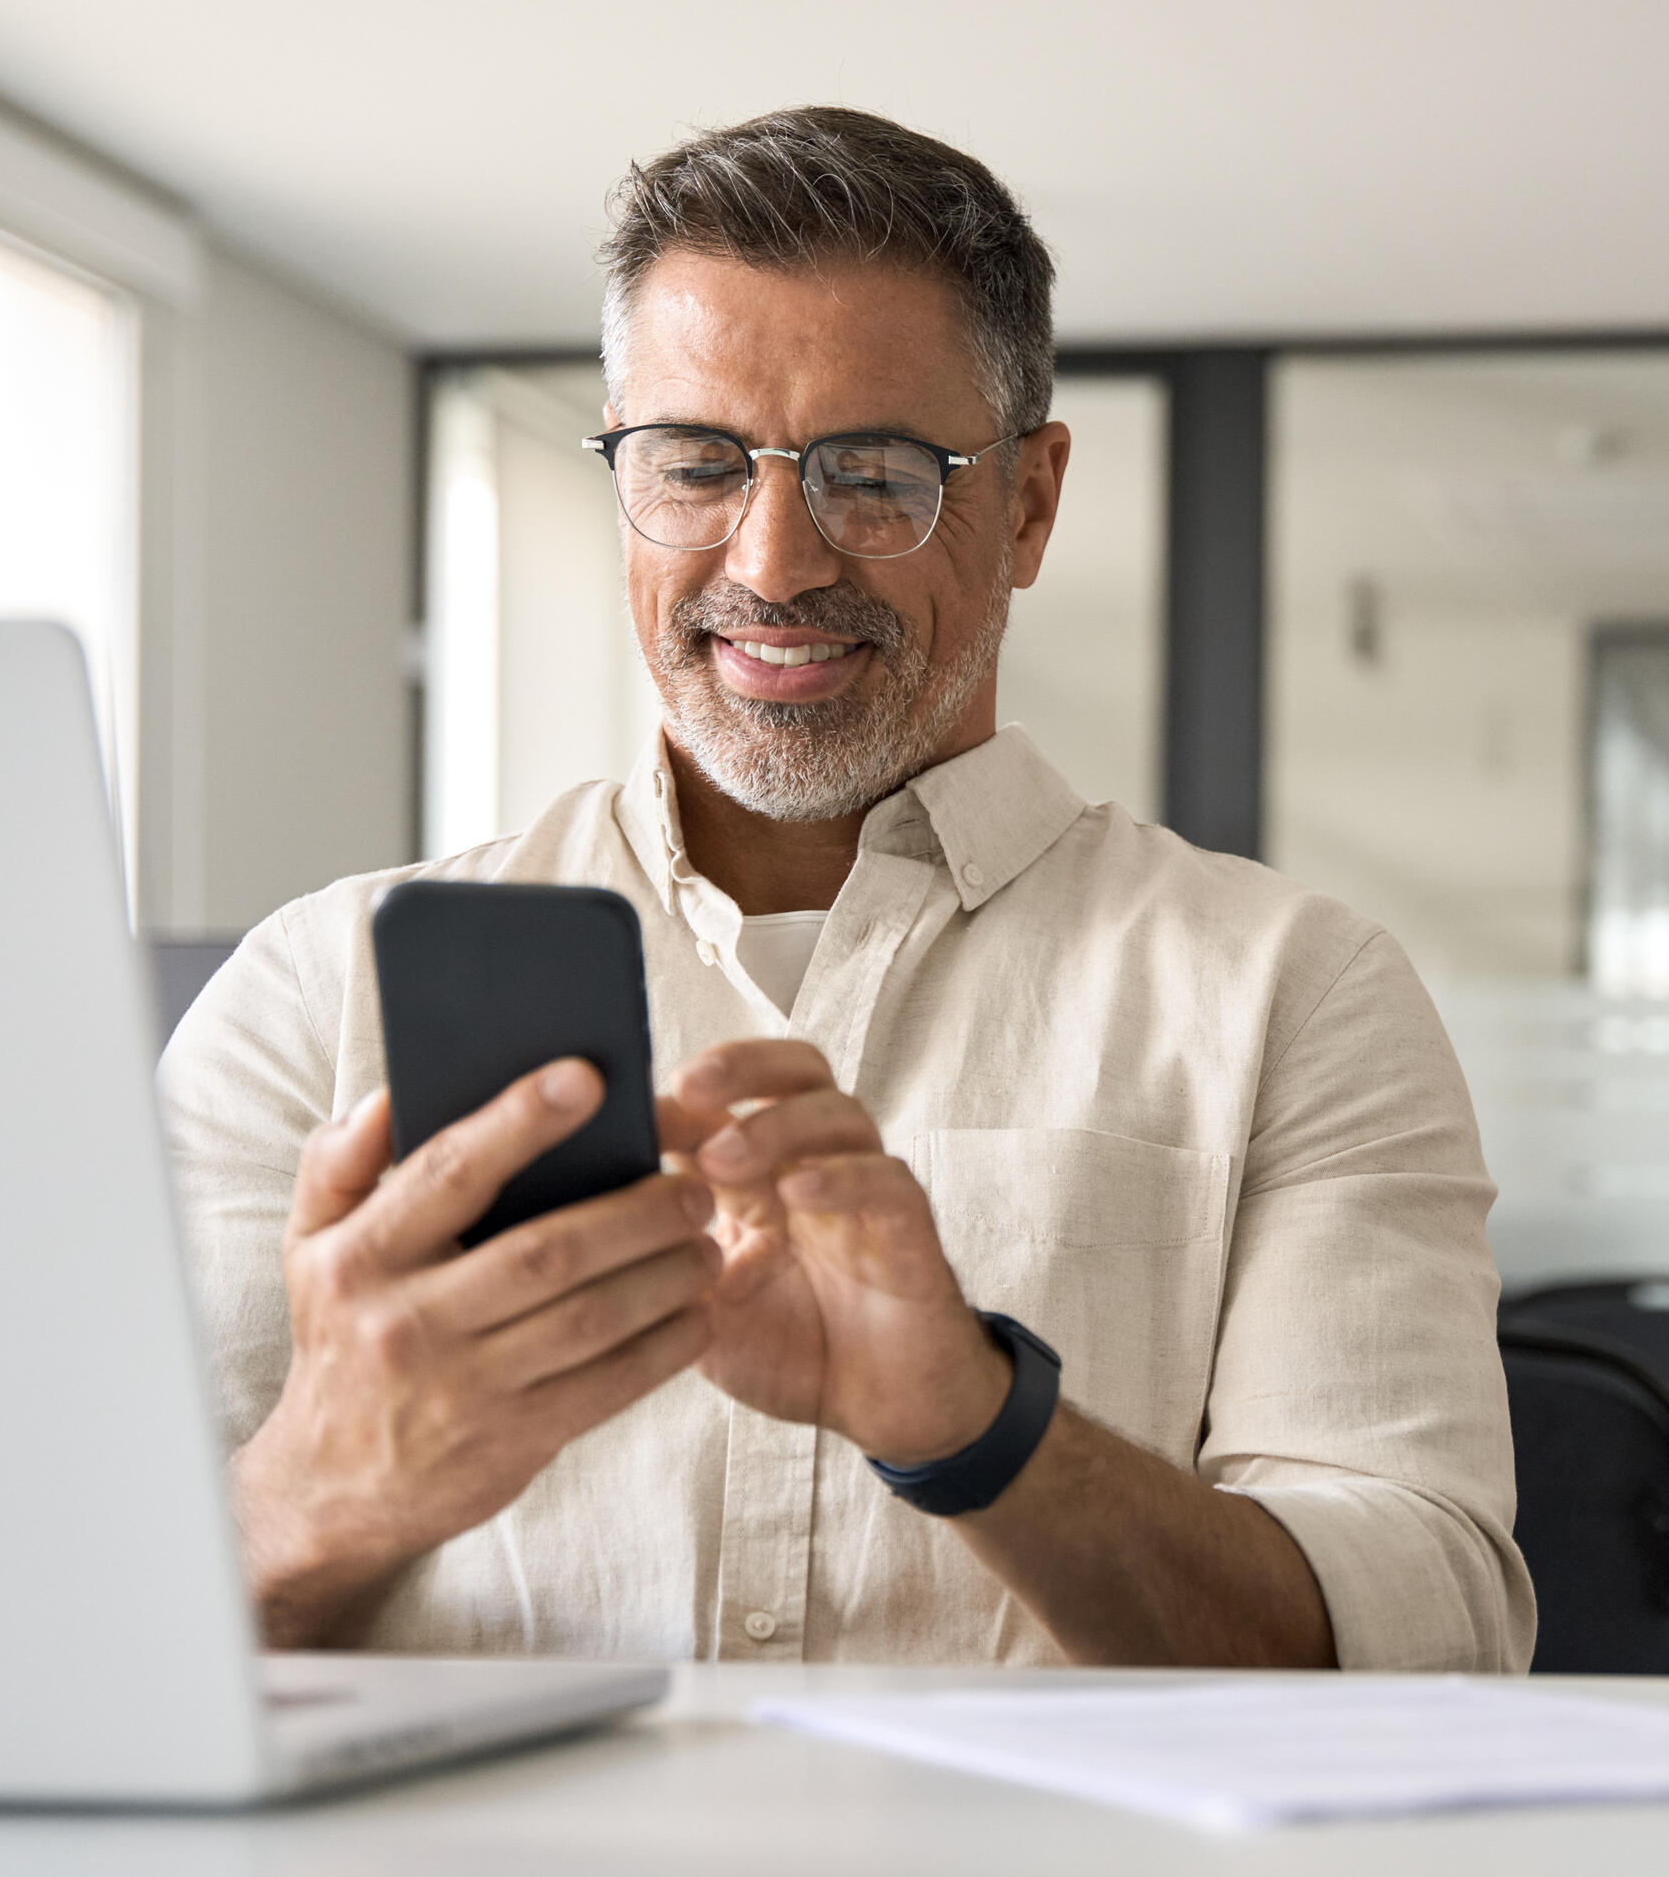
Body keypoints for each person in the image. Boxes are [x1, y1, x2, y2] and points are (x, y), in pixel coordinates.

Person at [158, 106, 1534, 1672]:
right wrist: (343, 1474)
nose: (775, 557)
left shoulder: (1294, 993)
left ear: (1025, 505)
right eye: (693, 464)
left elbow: (1430, 1638)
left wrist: (972, 1422)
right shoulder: (313, 992)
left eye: (873, 474)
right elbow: (70, 1650)